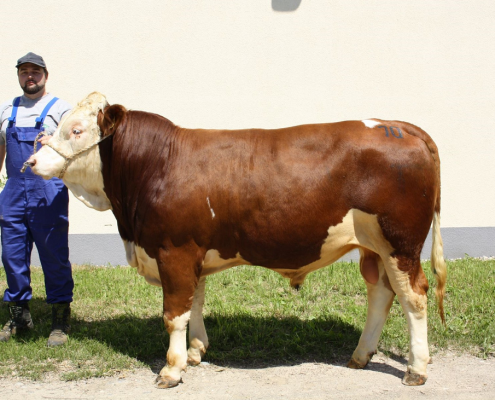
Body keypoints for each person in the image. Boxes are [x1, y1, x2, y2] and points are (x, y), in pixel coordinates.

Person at [0, 52, 73, 346]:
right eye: (24, 72)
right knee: (12, 254)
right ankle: (20, 314)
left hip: (48, 191)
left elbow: (75, 151)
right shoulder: (7, 109)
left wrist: (54, 143)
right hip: (14, 190)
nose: (29, 77)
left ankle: (60, 316)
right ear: (19, 76)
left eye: (35, 72)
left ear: (45, 74)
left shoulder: (62, 110)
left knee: (53, 255)